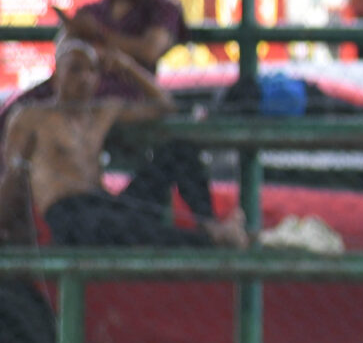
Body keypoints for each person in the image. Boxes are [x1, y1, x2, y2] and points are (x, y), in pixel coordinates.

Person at [0, 37, 226, 249]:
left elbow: (165, 105)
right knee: (130, 230)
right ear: (57, 75)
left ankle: (209, 225)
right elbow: (13, 175)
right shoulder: (30, 117)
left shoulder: (103, 112)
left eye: (92, 70)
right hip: (69, 212)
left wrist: (126, 66)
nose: (85, 78)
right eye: (75, 69)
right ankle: (214, 240)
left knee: (178, 150)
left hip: (105, 205)